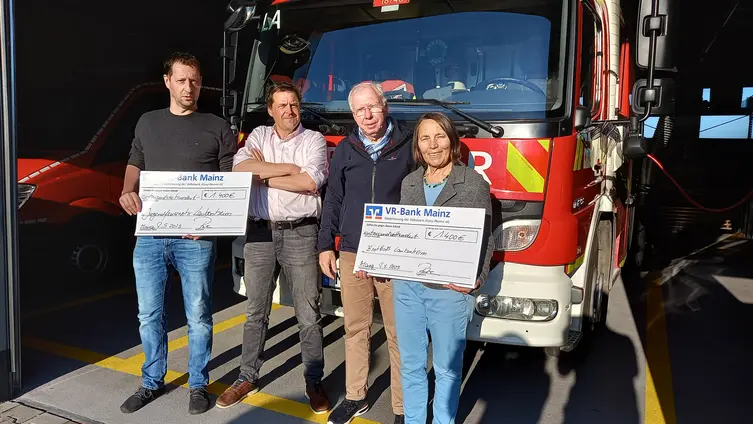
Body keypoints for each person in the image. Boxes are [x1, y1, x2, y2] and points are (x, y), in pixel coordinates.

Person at [118, 52, 238, 415]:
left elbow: (229, 184)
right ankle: (151, 382)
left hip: (195, 240)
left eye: (195, 81)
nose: (189, 87)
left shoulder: (217, 127)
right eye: (182, 80)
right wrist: (126, 190)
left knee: (198, 316)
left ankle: (198, 384)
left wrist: (208, 224)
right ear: (167, 81)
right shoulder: (147, 122)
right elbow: (135, 162)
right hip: (150, 236)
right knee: (148, 315)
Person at [215, 81, 331, 414]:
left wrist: (264, 175)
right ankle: (246, 377)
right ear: (270, 110)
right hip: (260, 234)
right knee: (255, 312)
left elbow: (310, 181)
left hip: (301, 233)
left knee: (308, 314)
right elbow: (239, 169)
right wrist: (289, 170)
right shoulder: (258, 136)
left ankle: (313, 381)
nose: (289, 111)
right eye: (281, 105)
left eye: (293, 104)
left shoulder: (314, 140)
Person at [318, 81, 415, 424]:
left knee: (398, 333)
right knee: (355, 328)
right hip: (352, 251)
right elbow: (333, 198)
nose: (368, 115)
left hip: (394, 253)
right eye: (360, 110)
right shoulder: (346, 149)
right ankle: (355, 396)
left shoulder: (408, 145)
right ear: (353, 114)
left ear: (384, 106)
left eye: (372, 106)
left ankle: (403, 407)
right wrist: (325, 245)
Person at [392, 112, 494, 424]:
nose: (433, 145)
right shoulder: (409, 183)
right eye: (425, 138)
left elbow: (486, 239)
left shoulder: (473, 184)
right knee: (411, 365)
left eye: (439, 136)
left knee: (447, 369)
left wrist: (477, 280)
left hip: (450, 290)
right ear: (417, 146)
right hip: (408, 289)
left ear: (452, 141)